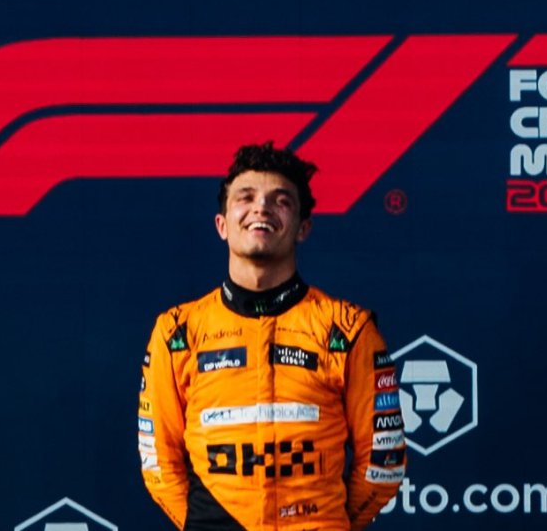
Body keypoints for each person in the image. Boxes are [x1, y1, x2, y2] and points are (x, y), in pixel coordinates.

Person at [138, 142, 406, 530]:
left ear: (303, 227)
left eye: (280, 201)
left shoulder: (349, 329)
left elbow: (383, 461)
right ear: (222, 225)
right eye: (245, 198)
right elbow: (158, 463)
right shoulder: (177, 332)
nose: (261, 208)